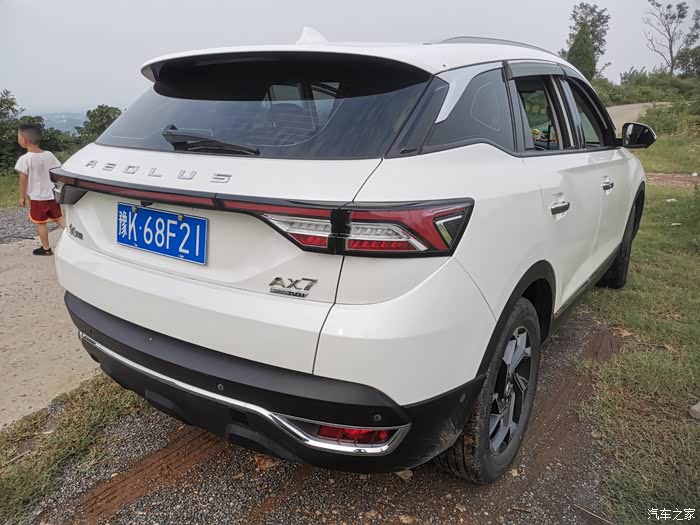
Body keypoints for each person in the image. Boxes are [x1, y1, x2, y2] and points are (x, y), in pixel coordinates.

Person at [15, 123, 65, 255]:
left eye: (18, 136)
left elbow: (23, 179)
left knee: (41, 223)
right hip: (52, 195)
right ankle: (76, 239)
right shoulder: (49, 155)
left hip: (37, 198)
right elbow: (57, 171)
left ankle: (46, 248)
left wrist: (21, 196)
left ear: (24, 140)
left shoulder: (25, 159)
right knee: (58, 218)